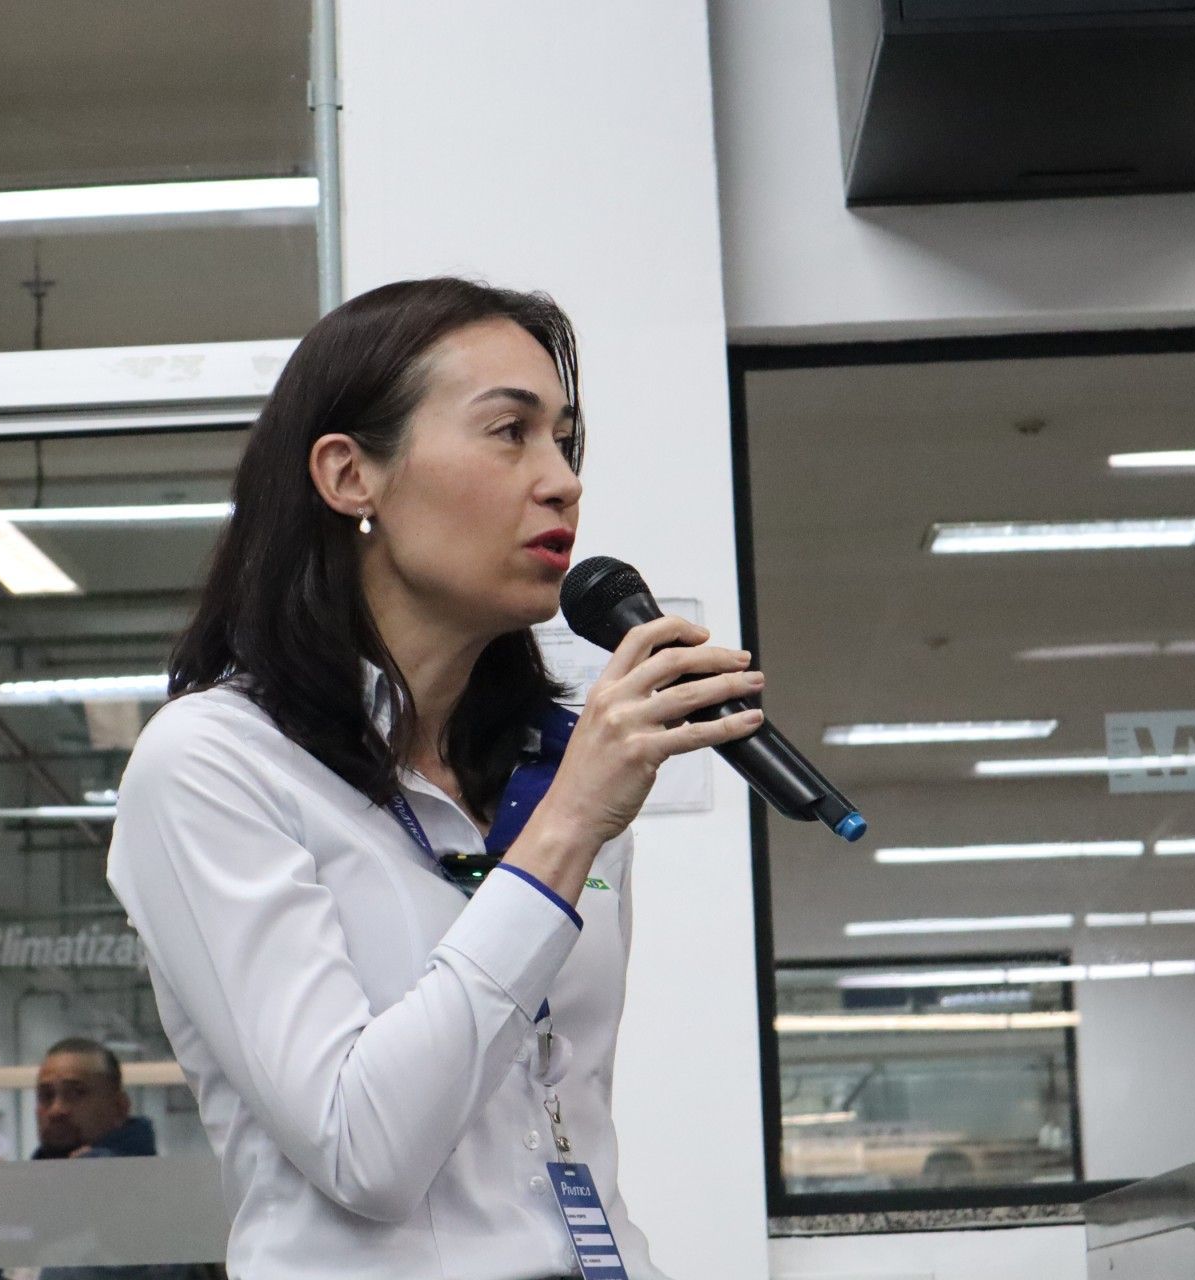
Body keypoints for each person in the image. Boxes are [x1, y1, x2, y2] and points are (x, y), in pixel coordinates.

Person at [106, 276, 764, 1280]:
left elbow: (563, 1112)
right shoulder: (213, 763)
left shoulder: (548, 761)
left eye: (567, 440)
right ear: (348, 475)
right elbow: (362, 1148)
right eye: (510, 433)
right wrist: (568, 826)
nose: (561, 481)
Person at [0, 1037, 215, 1280]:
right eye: (46, 1096)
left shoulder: (154, 1192)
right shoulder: (29, 1198)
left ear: (119, 1107)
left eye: (76, 1093)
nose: (56, 1109)